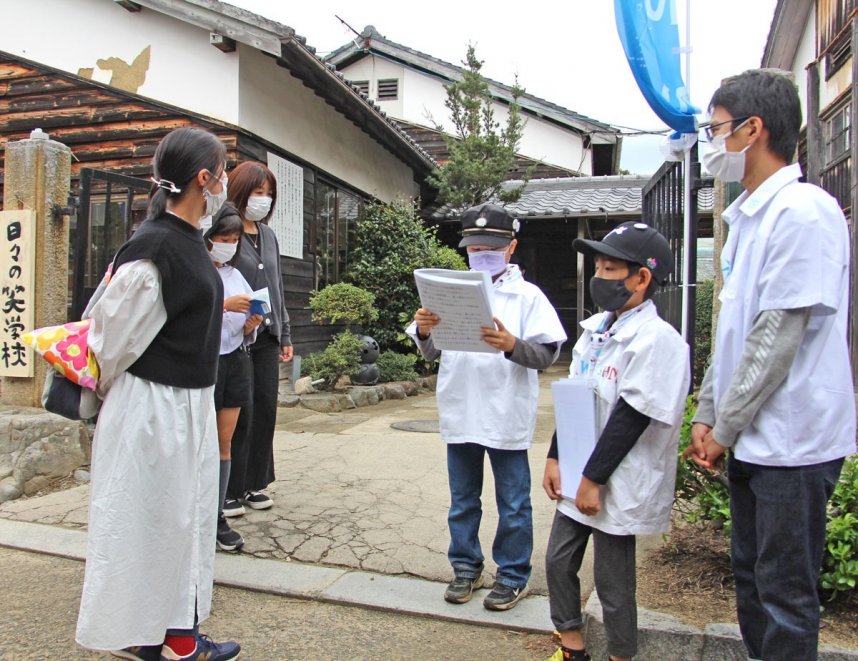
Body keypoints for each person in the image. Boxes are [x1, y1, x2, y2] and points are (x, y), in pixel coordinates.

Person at [685, 69, 855, 661]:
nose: (712, 142)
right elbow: (733, 335)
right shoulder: (747, 219)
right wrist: (709, 414)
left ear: (752, 129)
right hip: (751, 436)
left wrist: (723, 425)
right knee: (753, 581)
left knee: (785, 593)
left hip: (793, 440)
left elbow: (778, 336)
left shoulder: (805, 212)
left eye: (717, 129)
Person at [76, 127, 240, 661]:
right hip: (151, 406)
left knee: (180, 521)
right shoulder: (154, 248)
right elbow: (111, 338)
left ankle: (177, 635)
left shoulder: (189, 240)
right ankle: (145, 635)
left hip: (186, 403)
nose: (225, 182)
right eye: (222, 171)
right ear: (203, 178)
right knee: (146, 519)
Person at [408, 203, 567, 611]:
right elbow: (429, 352)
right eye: (474, 248)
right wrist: (425, 328)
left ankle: (513, 575)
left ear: (511, 247)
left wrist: (512, 345)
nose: (482, 254)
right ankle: (465, 567)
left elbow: (547, 353)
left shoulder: (528, 296)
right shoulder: (449, 289)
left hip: (504, 411)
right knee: (463, 498)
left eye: (491, 247)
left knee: (513, 501)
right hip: (461, 406)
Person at [542, 222, 689, 661]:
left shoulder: (658, 341)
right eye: (598, 267)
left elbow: (632, 418)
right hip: (581, 468)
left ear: (642, 278)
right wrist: (555, 457)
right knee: (557, 562)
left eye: (610, 268)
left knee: (613, 583)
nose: (599, 277)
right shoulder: (595, 330)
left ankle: (621, 655)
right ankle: (572, 648)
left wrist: (593, 478)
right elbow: (575, 392)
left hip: (616, 478)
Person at [221, 161, 293, 517]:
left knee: (265, 408)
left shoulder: (269, 235)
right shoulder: (226, 231)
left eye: (268, 194)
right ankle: (229, 488)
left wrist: (285, 333)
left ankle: (255, 483)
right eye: (257, 192)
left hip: (266, 336)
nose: (263, 199)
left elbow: (278, 286)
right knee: (240, 411)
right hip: (235, 337)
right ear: (240, 191)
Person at [205, 204, 264, 552]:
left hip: (235, 361)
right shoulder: (198, 272)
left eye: (233, 239)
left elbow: (242, 330)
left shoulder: (233, 274)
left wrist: (250, 325)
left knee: (224, 441)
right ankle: (197, 514)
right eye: (222, 238)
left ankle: (217, 515)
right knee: (201, 442)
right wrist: (225, 307)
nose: (228, 244)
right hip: (205, 363)